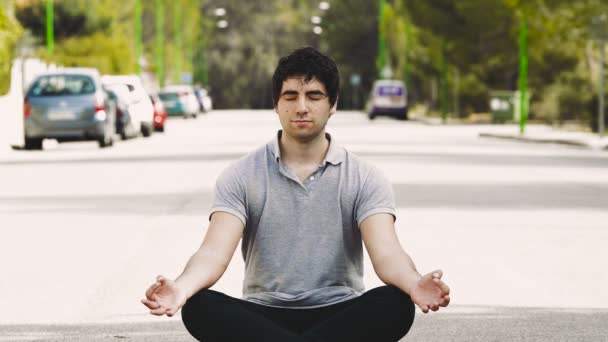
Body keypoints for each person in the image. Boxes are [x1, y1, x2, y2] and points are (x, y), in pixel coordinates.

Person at [141, 47, 450, 342]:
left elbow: (387, 254)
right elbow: (213, 253)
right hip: (263, 315)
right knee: (199, 306)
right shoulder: (241, 175)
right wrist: (181, 289)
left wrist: (414, 283)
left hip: (338, 314)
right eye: (291, 96)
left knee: (395, 303)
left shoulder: (365, 178)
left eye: (314, 96)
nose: (301, 107)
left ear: (333, 104)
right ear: (276, 104)